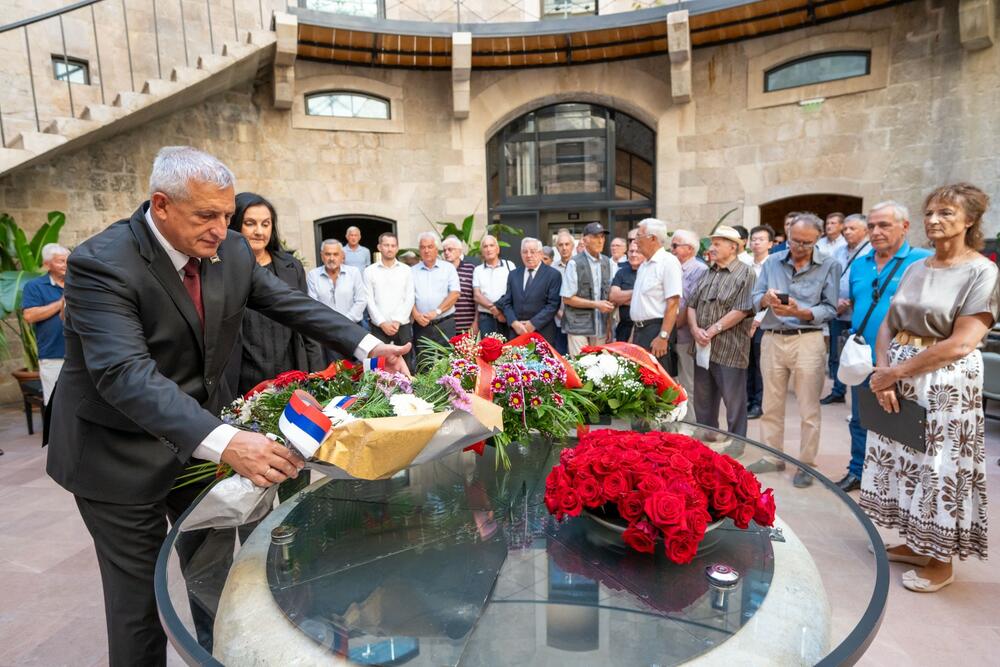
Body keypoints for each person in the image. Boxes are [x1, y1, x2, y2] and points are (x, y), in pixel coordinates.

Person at [45, 147, 410, 666]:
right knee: (137, 609)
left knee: (214, 578)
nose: (222, 230)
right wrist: (229, 441)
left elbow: (290, 303)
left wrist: (369, 346)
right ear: (161, 205)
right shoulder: (101, 263)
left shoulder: (231, 250)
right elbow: (124, 374)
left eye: (226, 214)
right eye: (206, 216)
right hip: (116, 452)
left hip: (195, 448)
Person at [862, 183, 998, 593]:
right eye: (930, 213)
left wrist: (894, 374)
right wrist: (884, 371)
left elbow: (961, 343)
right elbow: (889, 322)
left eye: (946, 213)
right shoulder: (916, 267)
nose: (934, 220)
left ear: (970, 220)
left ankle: (941, 560)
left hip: (945, 380)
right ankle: (915, 540)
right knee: (905, 456)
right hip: (900, 373)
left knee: (940, 464)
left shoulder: (982, 271)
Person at [836, 203, 929, 493]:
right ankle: (858, 471)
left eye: (884, 225)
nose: (876, 232)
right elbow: (857, 302)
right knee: (860, 418)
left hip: (905, 359)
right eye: (872, 226)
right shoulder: (860, 264)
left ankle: (900, 483)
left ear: (905, 226)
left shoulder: (922, 261)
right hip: (864, 355)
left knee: (904, 422)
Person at [749, 213, 840, 488]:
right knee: (771, 404)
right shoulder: (773, 261)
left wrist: (801, 312)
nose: (799, 247)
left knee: (808, 408)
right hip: (773, 337)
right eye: (794, 241)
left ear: (817, 240)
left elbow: (831, 308)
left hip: (808, 339)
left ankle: (807, 464)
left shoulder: (830, 265)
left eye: (806, 243)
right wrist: (765, 299)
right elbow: (755, 297)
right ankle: (771, 456)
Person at [227, 192, 324, 396]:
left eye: (266, 224)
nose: (259, 231)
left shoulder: (291, 267)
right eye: (250, 223)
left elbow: (307, 322)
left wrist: (317, 375)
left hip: (289, 371)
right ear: (235, 225)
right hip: (243, 377)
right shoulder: (222, 268)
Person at [687, 226, 756, 437]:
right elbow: (691, 305)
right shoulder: (707, 272)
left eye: (717, 244)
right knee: (703, 402)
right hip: (702, 347)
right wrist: (695, 329)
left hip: (730, 349)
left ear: (733, 247)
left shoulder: (746, 273)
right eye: (711, 244)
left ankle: (737, 444)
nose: (711, 248)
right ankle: (707, 441)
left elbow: (742, 309)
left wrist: (713, 330)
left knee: (734, 404)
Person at [821, 213, 871, 405]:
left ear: (865, 231)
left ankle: (861, 400)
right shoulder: (839, 251)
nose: (847, 232)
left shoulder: (870, 251)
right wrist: (834, 301)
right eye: (846, 229)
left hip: (859, 313)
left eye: (852, 228)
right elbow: (831, 277)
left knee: (860, 354)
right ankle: (838, 390)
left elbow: (869, 283)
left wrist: (849, 301)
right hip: (837, 311)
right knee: (837, 353)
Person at [630, 218, 682, 369]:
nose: (635, 241)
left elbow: (673, 303)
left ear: (652, 238)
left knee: (656, 378)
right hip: (639, 331)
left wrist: (663, 337)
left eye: (638, 236)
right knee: (640, 378)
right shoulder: (644, 265)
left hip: (656, 331)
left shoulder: (668, 262)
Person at [22, 243, 70, 405]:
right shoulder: (35, 286)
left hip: (82, 353)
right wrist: (61, 302)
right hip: (53, 355)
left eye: (68, 261)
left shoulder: (78, 283)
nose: (66, 265)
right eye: (61, 261)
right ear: (47, 264)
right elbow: (29, 316)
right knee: (54, 404)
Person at [307, 239, 367, 363]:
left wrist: (344, 322)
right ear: (322, 256)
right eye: (328, 254)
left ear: (342, 256)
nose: (331, 258)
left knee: (356, 369)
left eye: (335, 254)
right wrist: (332, 325)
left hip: (352, 329)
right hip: (326, 332)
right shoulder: (313, 275)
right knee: (331, 369)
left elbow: (361, 300)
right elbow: (313, 305)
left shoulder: (354, 272)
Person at [561, 222, 616, 355]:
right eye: (596, 237)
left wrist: (609, 326)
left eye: (602, 237)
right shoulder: (574, 263)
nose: (600, 241)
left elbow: (609, 298)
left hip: (601, 326)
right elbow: (567, 299)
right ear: (585, 241)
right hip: (577, 327)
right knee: (580, 365)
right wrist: (596, 304)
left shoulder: (608, 262)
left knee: (600, 366)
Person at [495, 237, 562, 343]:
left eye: (532, 251)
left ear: (540, 253)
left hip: (543, 333)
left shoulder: (553, 275)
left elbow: (553, 305)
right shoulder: (513, 274)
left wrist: (533, 324)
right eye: (525, 252)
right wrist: (514, 323)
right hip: (516, 332)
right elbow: (506, 302)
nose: (528, 255)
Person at [670, 229, 708, 418]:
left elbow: (690, 304)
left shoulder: (700, 270)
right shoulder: (673, 267)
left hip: (685, 335)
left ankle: (691, 426)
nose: (672, 249)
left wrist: (671, 325)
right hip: (670, 334)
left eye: (675, 246)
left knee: (688, 383)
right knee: (673, 383)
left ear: (690, 249)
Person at [365, 231, 416, 369]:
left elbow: (409, 298)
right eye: (386, 245)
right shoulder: (370, 271)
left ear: (397, 248)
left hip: (402, 325)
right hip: (378, 327)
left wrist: (397, 321)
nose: (390, 248)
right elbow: (369, 300)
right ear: (379, 247)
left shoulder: (406, 270)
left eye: (393, 245)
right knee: (377, 367)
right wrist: (382, 323)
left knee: (406, 365)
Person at [411, 231, 460, 368]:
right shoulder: (411, 271)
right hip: (421, 325)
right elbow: (407, 296)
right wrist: (416, 315)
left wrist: (437, 311)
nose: (426, 250)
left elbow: (455, 293)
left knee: (447, 365)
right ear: (419, 250)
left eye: (430, 247)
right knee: (423, 365)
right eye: (423, 247)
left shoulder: (448, 268)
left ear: (436, 249)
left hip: (445, 324)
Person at [746, 225, 774, 419]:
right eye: (754, 239)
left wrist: (756, 321)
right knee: (747, 363)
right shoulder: (746, 265)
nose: (756, 243)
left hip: (765, 322)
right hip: (745, 321)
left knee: (760, 364)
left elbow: (772, 297)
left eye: (761, 239)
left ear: (770, 244)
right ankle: (747, 399)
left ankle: (759, 403)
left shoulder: (774, 266)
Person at [472, 234, 514, 338]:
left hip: (506, 316)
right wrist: (495, 310)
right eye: (485, 246)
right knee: (488, 347)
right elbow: (477, 296)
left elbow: (514, 291)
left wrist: (501, 313)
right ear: (482, 251)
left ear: (497, 249)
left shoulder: (509, 265)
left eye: (491, 245)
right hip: (486, 318)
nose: (488, 249)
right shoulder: (478, 270)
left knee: (509, 346)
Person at [443, 236, 477, 336]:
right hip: (445, 326)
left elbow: (477, 299)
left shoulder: (471, 269)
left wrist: (476, 322)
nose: (446, 252)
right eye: (444, 250)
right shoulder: (440, 270)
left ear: (459, 251)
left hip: (467, 326)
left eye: (450, 249)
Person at [609, 242, 642, 342]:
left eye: (637, 251)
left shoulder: (649, 271)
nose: (633, 254)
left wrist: (623, 299)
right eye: (631, 251)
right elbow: (613, 297)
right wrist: (638, 292)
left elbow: (649, 299)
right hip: (623, 328)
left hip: (643, 328)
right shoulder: (621, 272)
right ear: (627, 253)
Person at [551, 230, 576, 354]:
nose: (564, 248)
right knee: (561, 356)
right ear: (557, 248)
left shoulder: (580, 265)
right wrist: (560, 314)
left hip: (578, 323)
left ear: (573, 246)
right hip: (558, 321)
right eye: (561, 245)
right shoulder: (552, 269)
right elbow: (549, 296)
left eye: (567, 244)